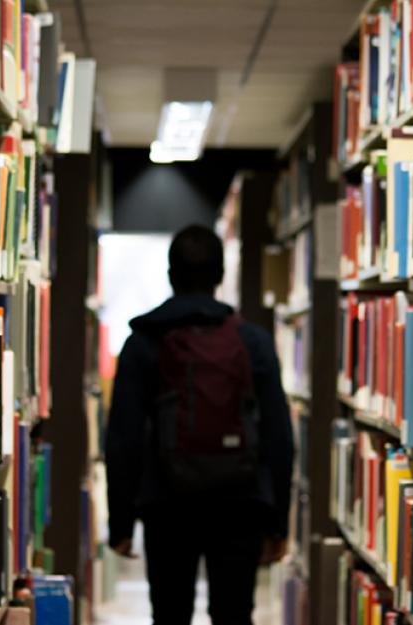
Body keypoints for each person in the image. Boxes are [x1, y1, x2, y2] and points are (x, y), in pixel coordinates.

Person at [105, 224, 294, 625]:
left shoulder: (142, 342)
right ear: (220, 275)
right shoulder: (253, 341)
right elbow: (279, 435)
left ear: (171, 275)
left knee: (170, 614)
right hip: (239, 503)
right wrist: (277, 522)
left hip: (166, 503)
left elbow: (123, 438)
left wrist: (121, 522)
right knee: (233, 614)